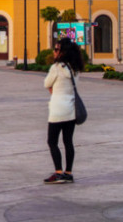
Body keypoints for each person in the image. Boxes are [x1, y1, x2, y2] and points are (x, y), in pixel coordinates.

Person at [42, 38, 84, 184]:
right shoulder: (75, 68)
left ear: (63, 52)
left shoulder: (57, 67)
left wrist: (52, 89)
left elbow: (46, 83)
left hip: (57, 110)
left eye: (56, 49)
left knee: (52, 141)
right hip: (71, 109)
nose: (54, 52)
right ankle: (68, 173)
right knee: (68, 142)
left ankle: (58, 172)